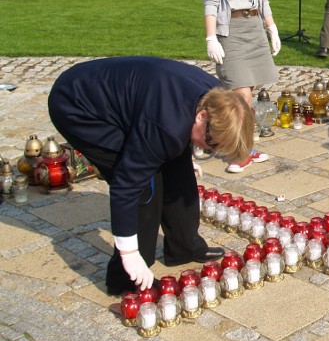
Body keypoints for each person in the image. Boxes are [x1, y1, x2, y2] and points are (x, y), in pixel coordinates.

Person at [47, 57, 255, 295]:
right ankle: (125, 278)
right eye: (209, 143)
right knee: (145, 185)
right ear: (202, 116)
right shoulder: (165, 127)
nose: (209, 150)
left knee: (177, 162)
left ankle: (184, 246)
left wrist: (187, 153)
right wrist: (130, 253)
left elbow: (175, 132)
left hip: (132, 99)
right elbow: (126, 185)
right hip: (78, 105)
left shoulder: (214, 98)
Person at [202, 0, 281, 172]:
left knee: (246, 93)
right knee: (241, 96)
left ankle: (235, 143)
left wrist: (272, 28)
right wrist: (211, 36)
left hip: (253, 26)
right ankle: (239, 152)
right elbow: (211, 1)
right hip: (231, 29)